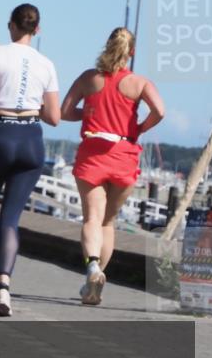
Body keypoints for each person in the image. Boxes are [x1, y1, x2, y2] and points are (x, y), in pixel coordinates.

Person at [0, 4, 60, 317]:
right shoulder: (47, 64)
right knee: (11, 219)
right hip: (31, 139)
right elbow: (54, 117)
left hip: (1, 135)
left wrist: (1, 90)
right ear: (37, 30)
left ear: (11, 26)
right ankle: (4, 287)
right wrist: (31, 100)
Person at [61, 27, 164, 306]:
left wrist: (90, 113)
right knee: (107, 221)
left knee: (92, 218)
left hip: (93, 153)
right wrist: (139, 127)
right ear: (131, 52)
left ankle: (92, 267)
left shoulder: (88, 78)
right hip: (124, 154)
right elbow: (160, 110)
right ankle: (94, 282)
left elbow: (65, 111)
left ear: (106, 46)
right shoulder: (139, 83)